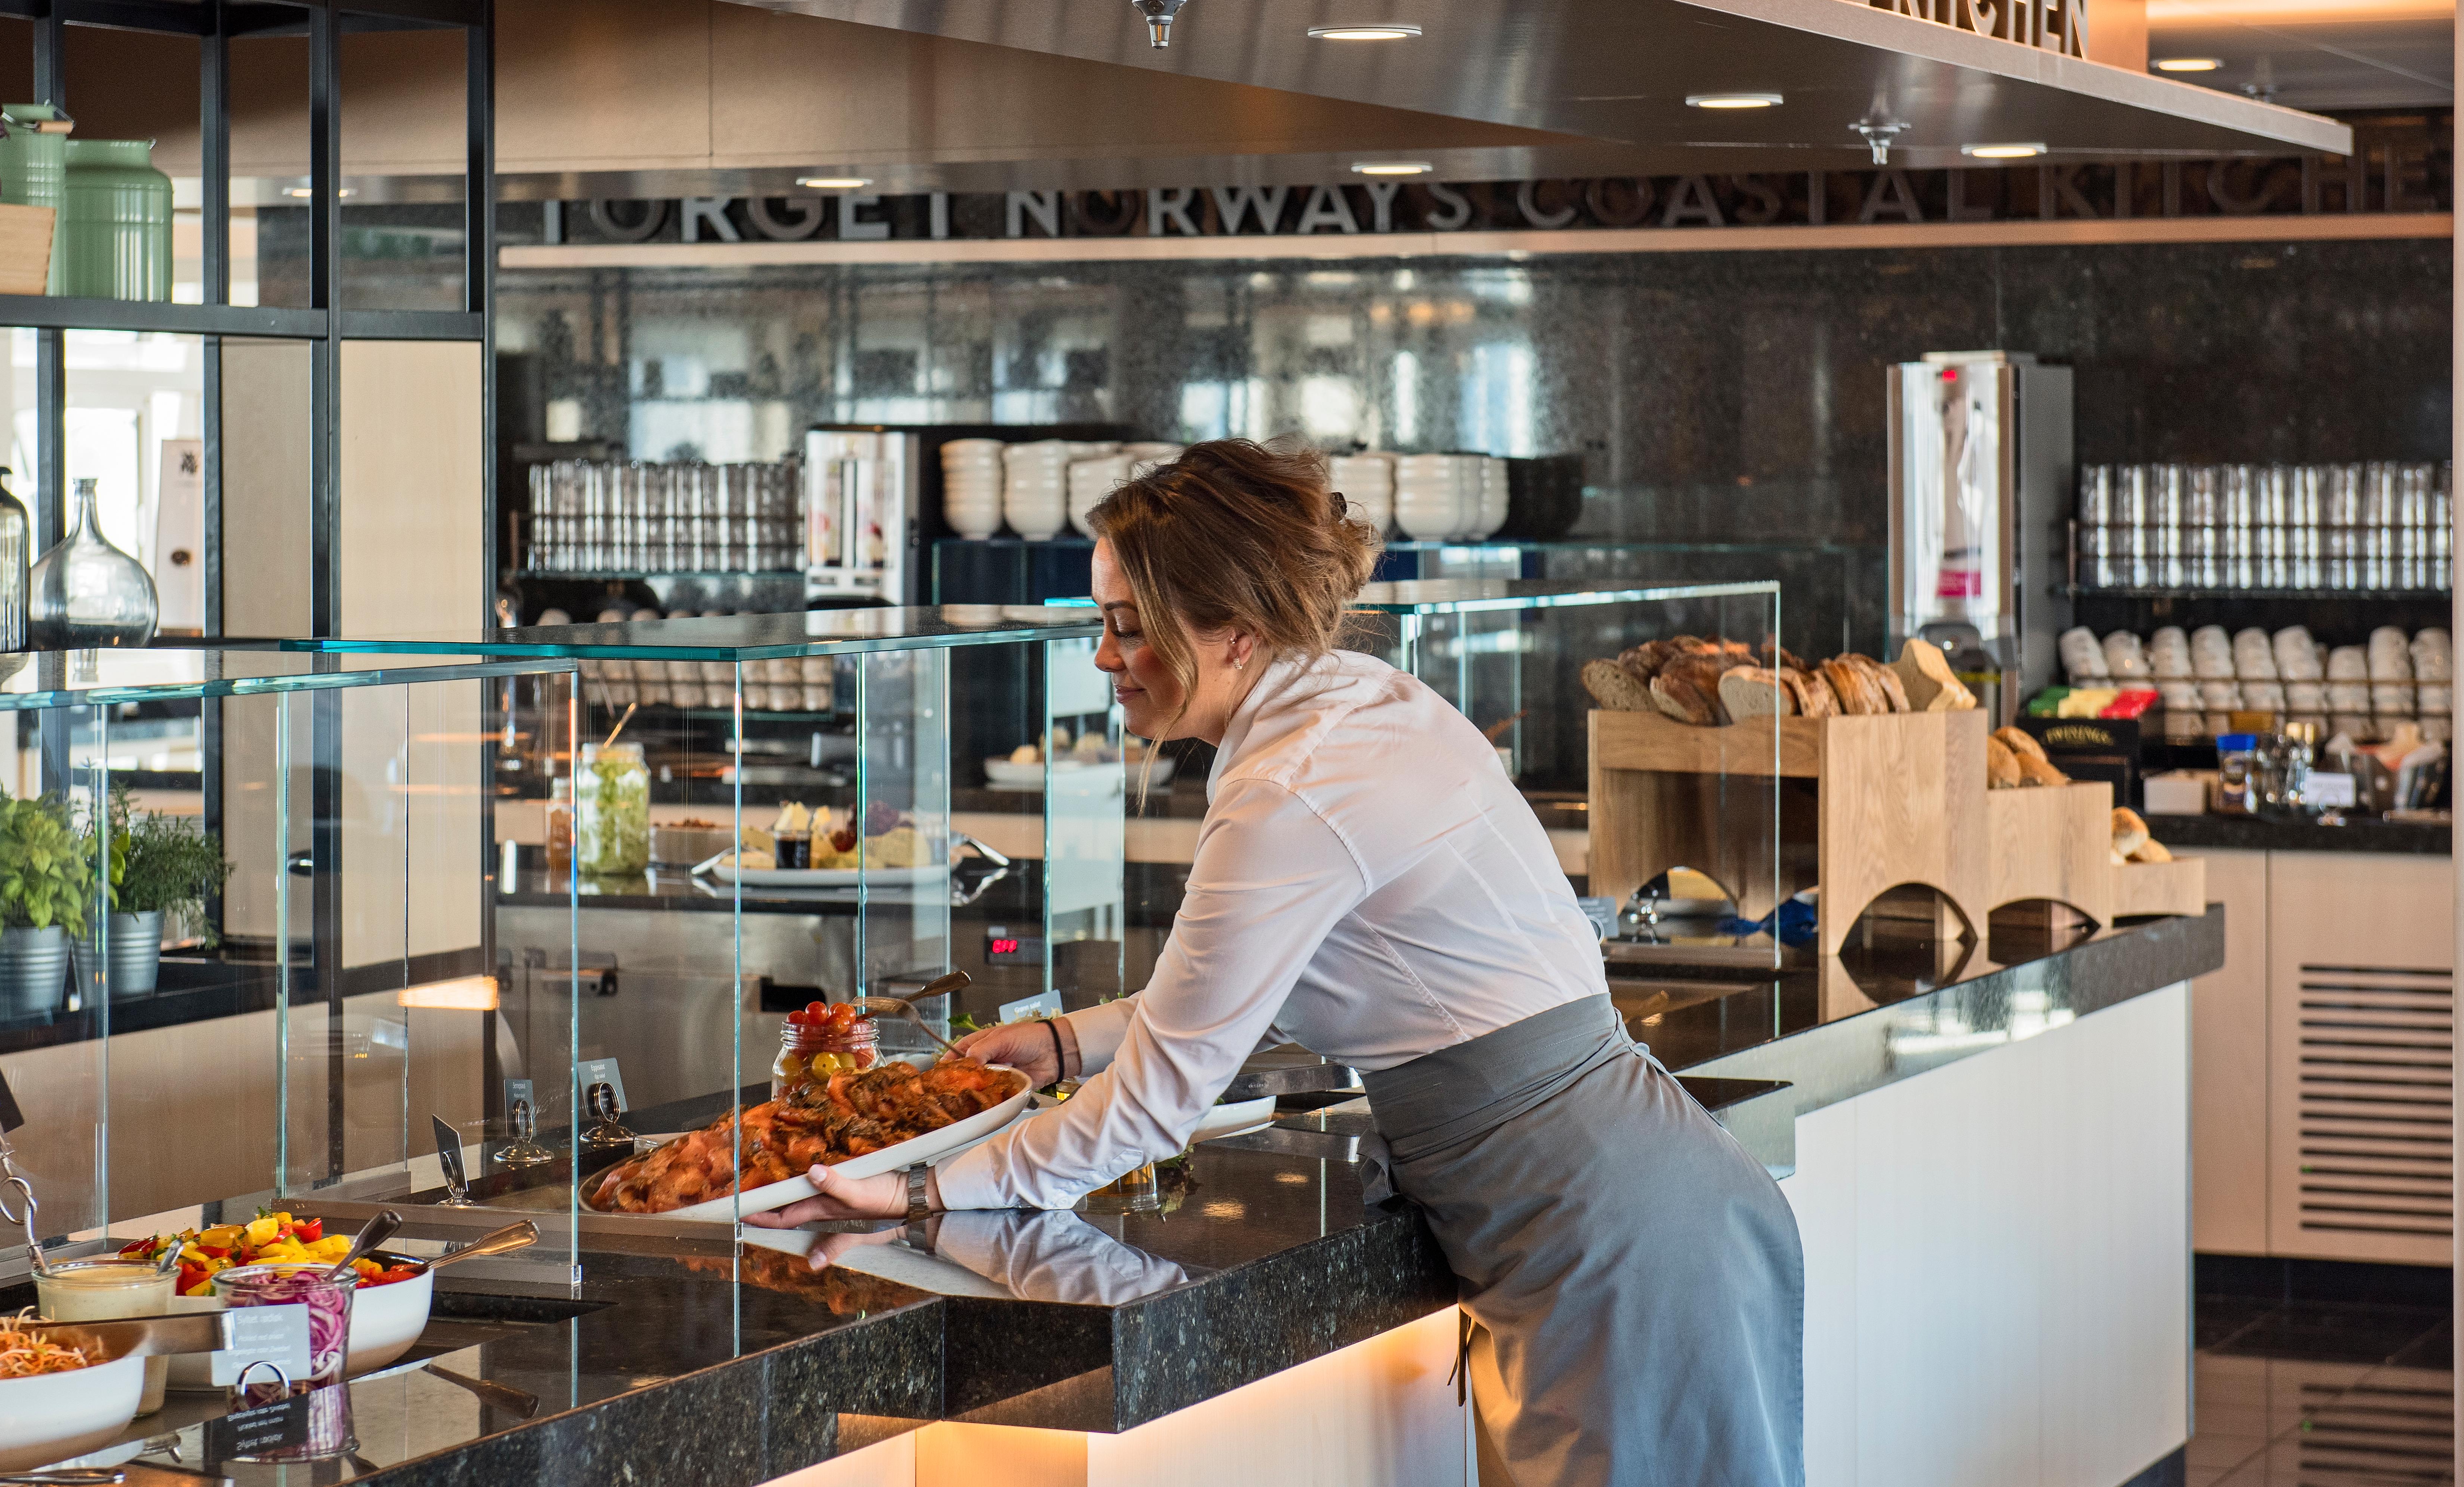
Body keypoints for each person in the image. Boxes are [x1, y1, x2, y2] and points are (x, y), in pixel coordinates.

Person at [747, 438, 1803, 1485]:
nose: (1104, 658)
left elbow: (1150, 1111)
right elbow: (1287, 976)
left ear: (1236, 634)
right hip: (1634, 1202)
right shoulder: (1350, 702)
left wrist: (923, 1187)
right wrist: (1067, 1038)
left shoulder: (1290, 788)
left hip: (1605, 1241)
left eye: (1127, 628)